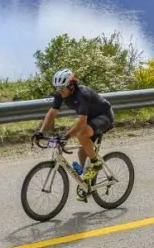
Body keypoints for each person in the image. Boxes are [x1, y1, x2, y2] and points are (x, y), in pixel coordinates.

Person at [34, 69, 114, 201]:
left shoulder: (83, 95)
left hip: (104, 116)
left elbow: (81, 122)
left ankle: (96, 164)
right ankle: (85, 183)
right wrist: (40, 131)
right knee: (81, 152)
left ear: (71, 85)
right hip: (90, 119)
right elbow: (52, 113)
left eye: (62, 88)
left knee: (81, 135)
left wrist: (66, 136)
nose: (60, 91)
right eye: (57, 88)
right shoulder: (60, 94)